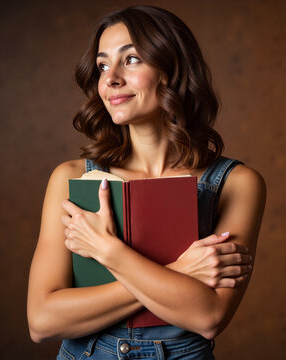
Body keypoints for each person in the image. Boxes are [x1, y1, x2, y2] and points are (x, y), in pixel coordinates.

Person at [26, 5, 266, 359]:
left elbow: (208, 316)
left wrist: (108, 251)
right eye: (103, 65)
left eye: (132, 59)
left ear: (171, 70)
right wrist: (179, 272)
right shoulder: (71, 178)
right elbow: (42, 320)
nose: (110, 79)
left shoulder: (236, 183)